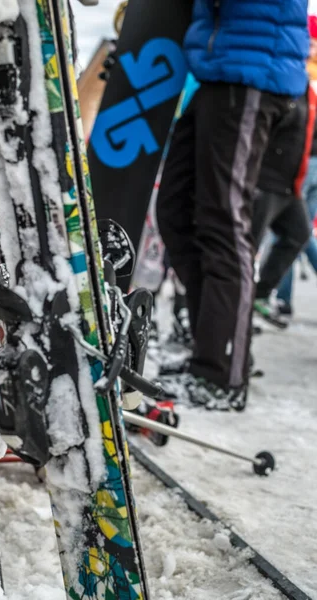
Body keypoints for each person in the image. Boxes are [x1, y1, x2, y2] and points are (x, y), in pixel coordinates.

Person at [156, 0, 309, 411]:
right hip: (216, 69)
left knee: (223, 222)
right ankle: (211, 347)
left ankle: (222, 372)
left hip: (252, 70)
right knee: (174, 214)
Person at [252, 85, 316, 327]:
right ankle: (237, 314)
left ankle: (259, 294)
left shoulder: (305, 88)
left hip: (290, 184)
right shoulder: (281, 84)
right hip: (266, 181)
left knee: (299, 234)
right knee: (246, 249)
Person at [276, 17, 317, 316]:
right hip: (304, 163)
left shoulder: (304, 76)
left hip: (302, 163)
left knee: (292, 232)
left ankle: (280, 297)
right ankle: (280, 296)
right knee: (296, 233)